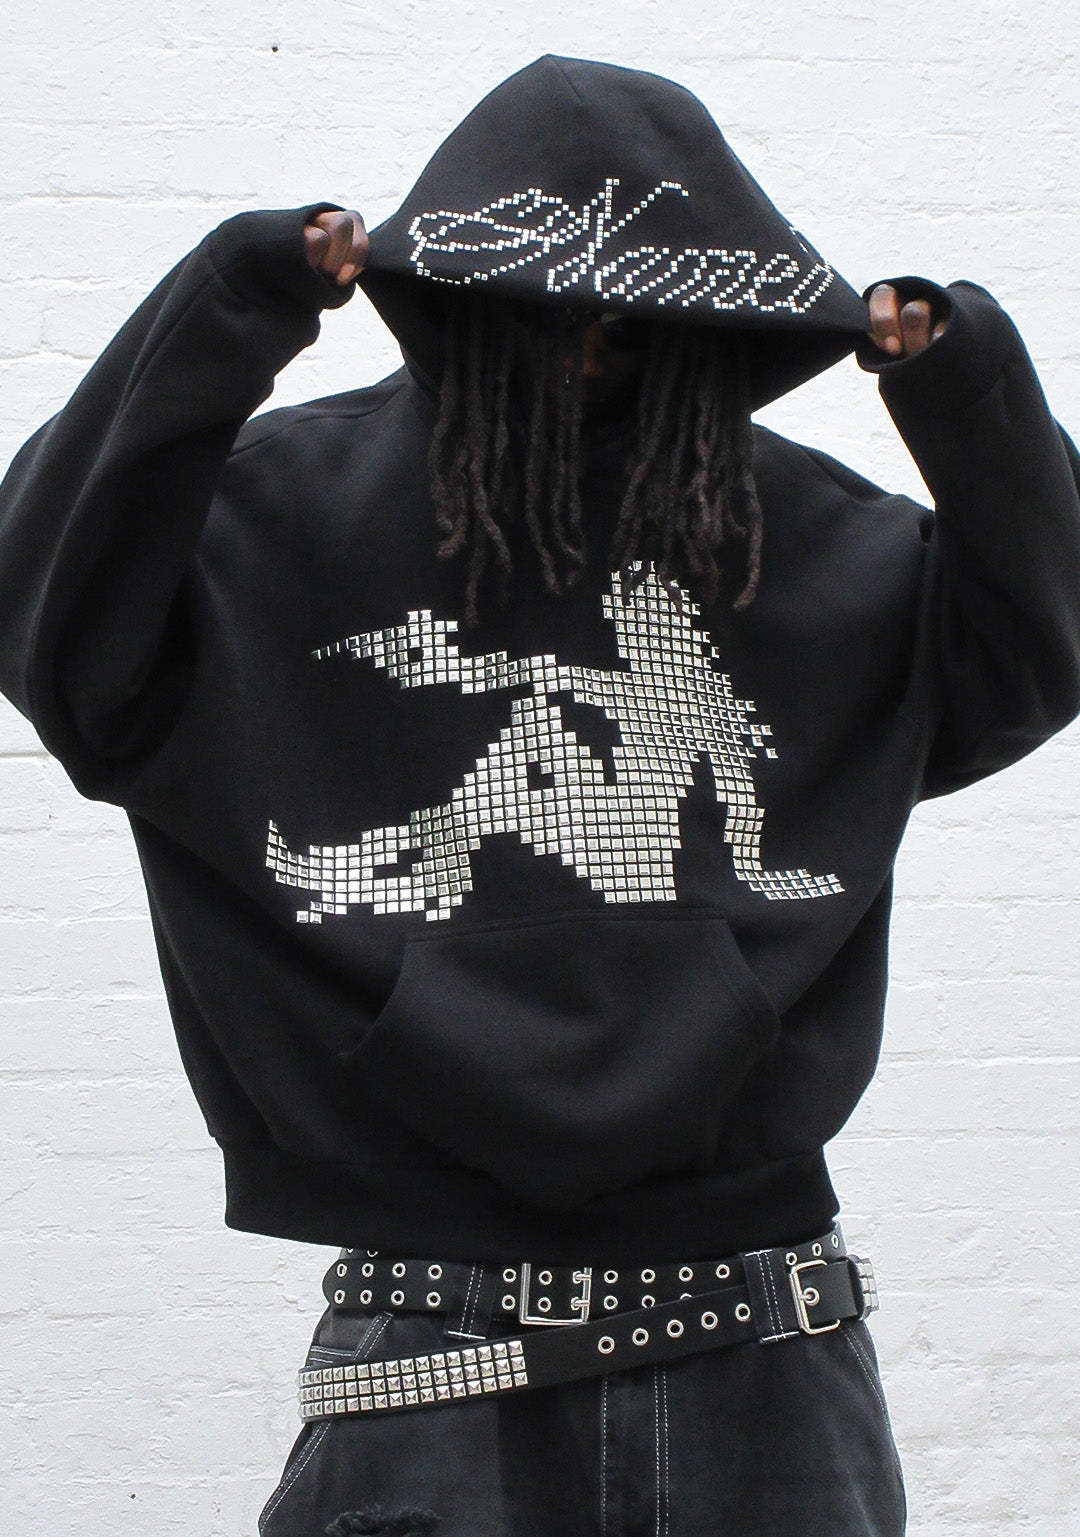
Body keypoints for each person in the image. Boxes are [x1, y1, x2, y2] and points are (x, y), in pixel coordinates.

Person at [1, 52, 1079, 1537]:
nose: (586, 347)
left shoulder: (812, 540)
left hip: (761, 1326)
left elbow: (1036, 651)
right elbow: (52, 619)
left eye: (632, 318)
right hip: (436, 1333)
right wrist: (234, 300)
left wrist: (965, 388)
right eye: (543, 309)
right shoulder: (269, 519)